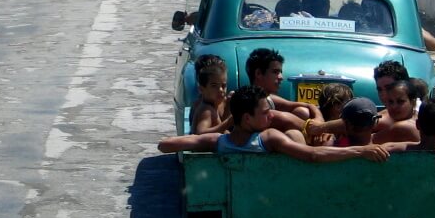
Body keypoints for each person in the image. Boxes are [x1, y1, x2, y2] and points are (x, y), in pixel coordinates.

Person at [158, 86, 389, 163]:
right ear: (247, 119)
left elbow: (165, 145)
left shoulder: (218, 141)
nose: (271, 117)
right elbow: (314, 156)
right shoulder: (269, 138)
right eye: (266, 113)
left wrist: (226, 124)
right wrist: (360, 150)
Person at [246, 47, 322, 126]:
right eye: (275, 72)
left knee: (302, 111)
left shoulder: (267, 98)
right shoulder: (248, 101)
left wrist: (319, 119)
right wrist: (320, 128)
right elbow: (283, 118)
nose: (281, 77)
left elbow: (308, 105)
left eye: (280, 72)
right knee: (292, 133)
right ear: (258, 73)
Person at [190, 54, 231, 134]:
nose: (220, 90)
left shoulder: (213, 106)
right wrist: (228, 123)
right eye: (214, 86)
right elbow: (201, 132)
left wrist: (228, 105)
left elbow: (218, 126)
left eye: (224, 85)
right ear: (201, 89)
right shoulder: (206, 110)